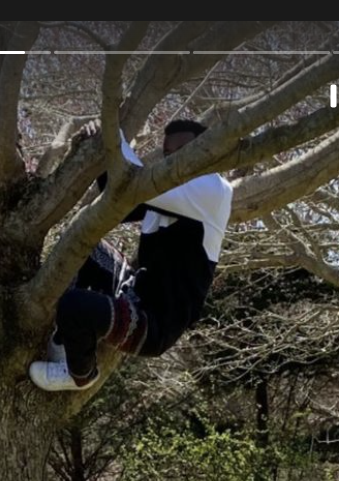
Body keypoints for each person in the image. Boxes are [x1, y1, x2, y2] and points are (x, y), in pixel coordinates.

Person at [29, 119, 233, 392]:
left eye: (183, 150)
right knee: (81, 244)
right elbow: (120, 198)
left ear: (206, 151)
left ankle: (80, 374)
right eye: (168, 154)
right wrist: (102, 153)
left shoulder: (214, 190)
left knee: (74, 306)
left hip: (154, 324)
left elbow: (133, 180)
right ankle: (67, 335)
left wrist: (111, 135)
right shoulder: (170, 192)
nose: (173, 159)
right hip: (134, 288)